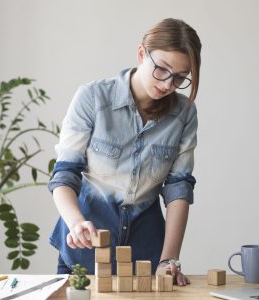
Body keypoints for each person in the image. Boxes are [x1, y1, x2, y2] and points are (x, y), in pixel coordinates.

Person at [48, 18, 201, 286]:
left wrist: (169, 260)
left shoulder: (184, 113)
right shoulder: (93, 98)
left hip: (146, 254)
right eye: (161, 70)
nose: (167, 84)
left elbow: (178, 188)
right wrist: (76, 223)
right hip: (85, 250)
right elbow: (64, 174)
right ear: (142, 54)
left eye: (179, 77)